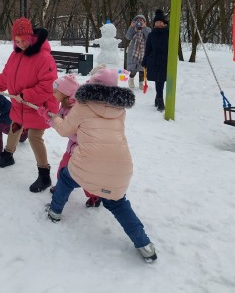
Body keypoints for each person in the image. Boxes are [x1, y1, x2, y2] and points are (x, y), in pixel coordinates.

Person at [42, 67, 157, 262]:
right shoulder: (119, 109)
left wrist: (55, 118)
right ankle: (145, 245)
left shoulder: (82, 105)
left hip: (88, 161)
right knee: (118, 203)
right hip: (121, 165)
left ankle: (55, 211)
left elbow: (65, 130)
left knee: (66, 178)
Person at [0, 17, 59, 193]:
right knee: (15, 127)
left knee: (34, 137)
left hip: (39, 107)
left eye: (23, 40)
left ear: (31, 37)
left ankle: (44, 174)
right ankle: (8, 155)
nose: (20, 44)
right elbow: (6, 76)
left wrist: (26, 95)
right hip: (20, 106)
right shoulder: (15, 55)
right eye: (16, 41)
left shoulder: (44, 58)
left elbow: (48, 86)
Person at [44, 74, 101, 208]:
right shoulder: (65, 105)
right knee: (62, 169)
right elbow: (61, 123)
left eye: (56, 91)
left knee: (84, 178)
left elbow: (67, 130)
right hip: (71, 149)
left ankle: (95, 196)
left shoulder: (75, 110)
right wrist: (50, 117)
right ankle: (60, 188)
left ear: (65, 93)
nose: (53, 93)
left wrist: (51, 120)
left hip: (83, 152)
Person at [142, 9, 169, 111]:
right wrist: (145, 61)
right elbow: (148, 49)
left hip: (165, 61)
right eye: (157, 22)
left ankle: (158, 97)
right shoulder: (151, 35)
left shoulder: (168, 33)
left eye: (160, 22)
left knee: (161, 80)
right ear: (154, 24)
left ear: (164, 23)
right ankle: (160, 99)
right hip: (153, 60)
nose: (158, 24)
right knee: (158, 80)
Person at [125, 14, 151, 90]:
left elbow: (149, 37)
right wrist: (131, 27)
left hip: (144, 52)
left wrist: (144, 28)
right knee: (134, 68)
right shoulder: (133, 29)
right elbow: (128, 37)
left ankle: (141, 83)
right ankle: (131, 79)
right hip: (134, 53)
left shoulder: (147, 29)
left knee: (142, 69)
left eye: (141, 20)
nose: (139, 22)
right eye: (137, 20)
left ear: (144, 22)